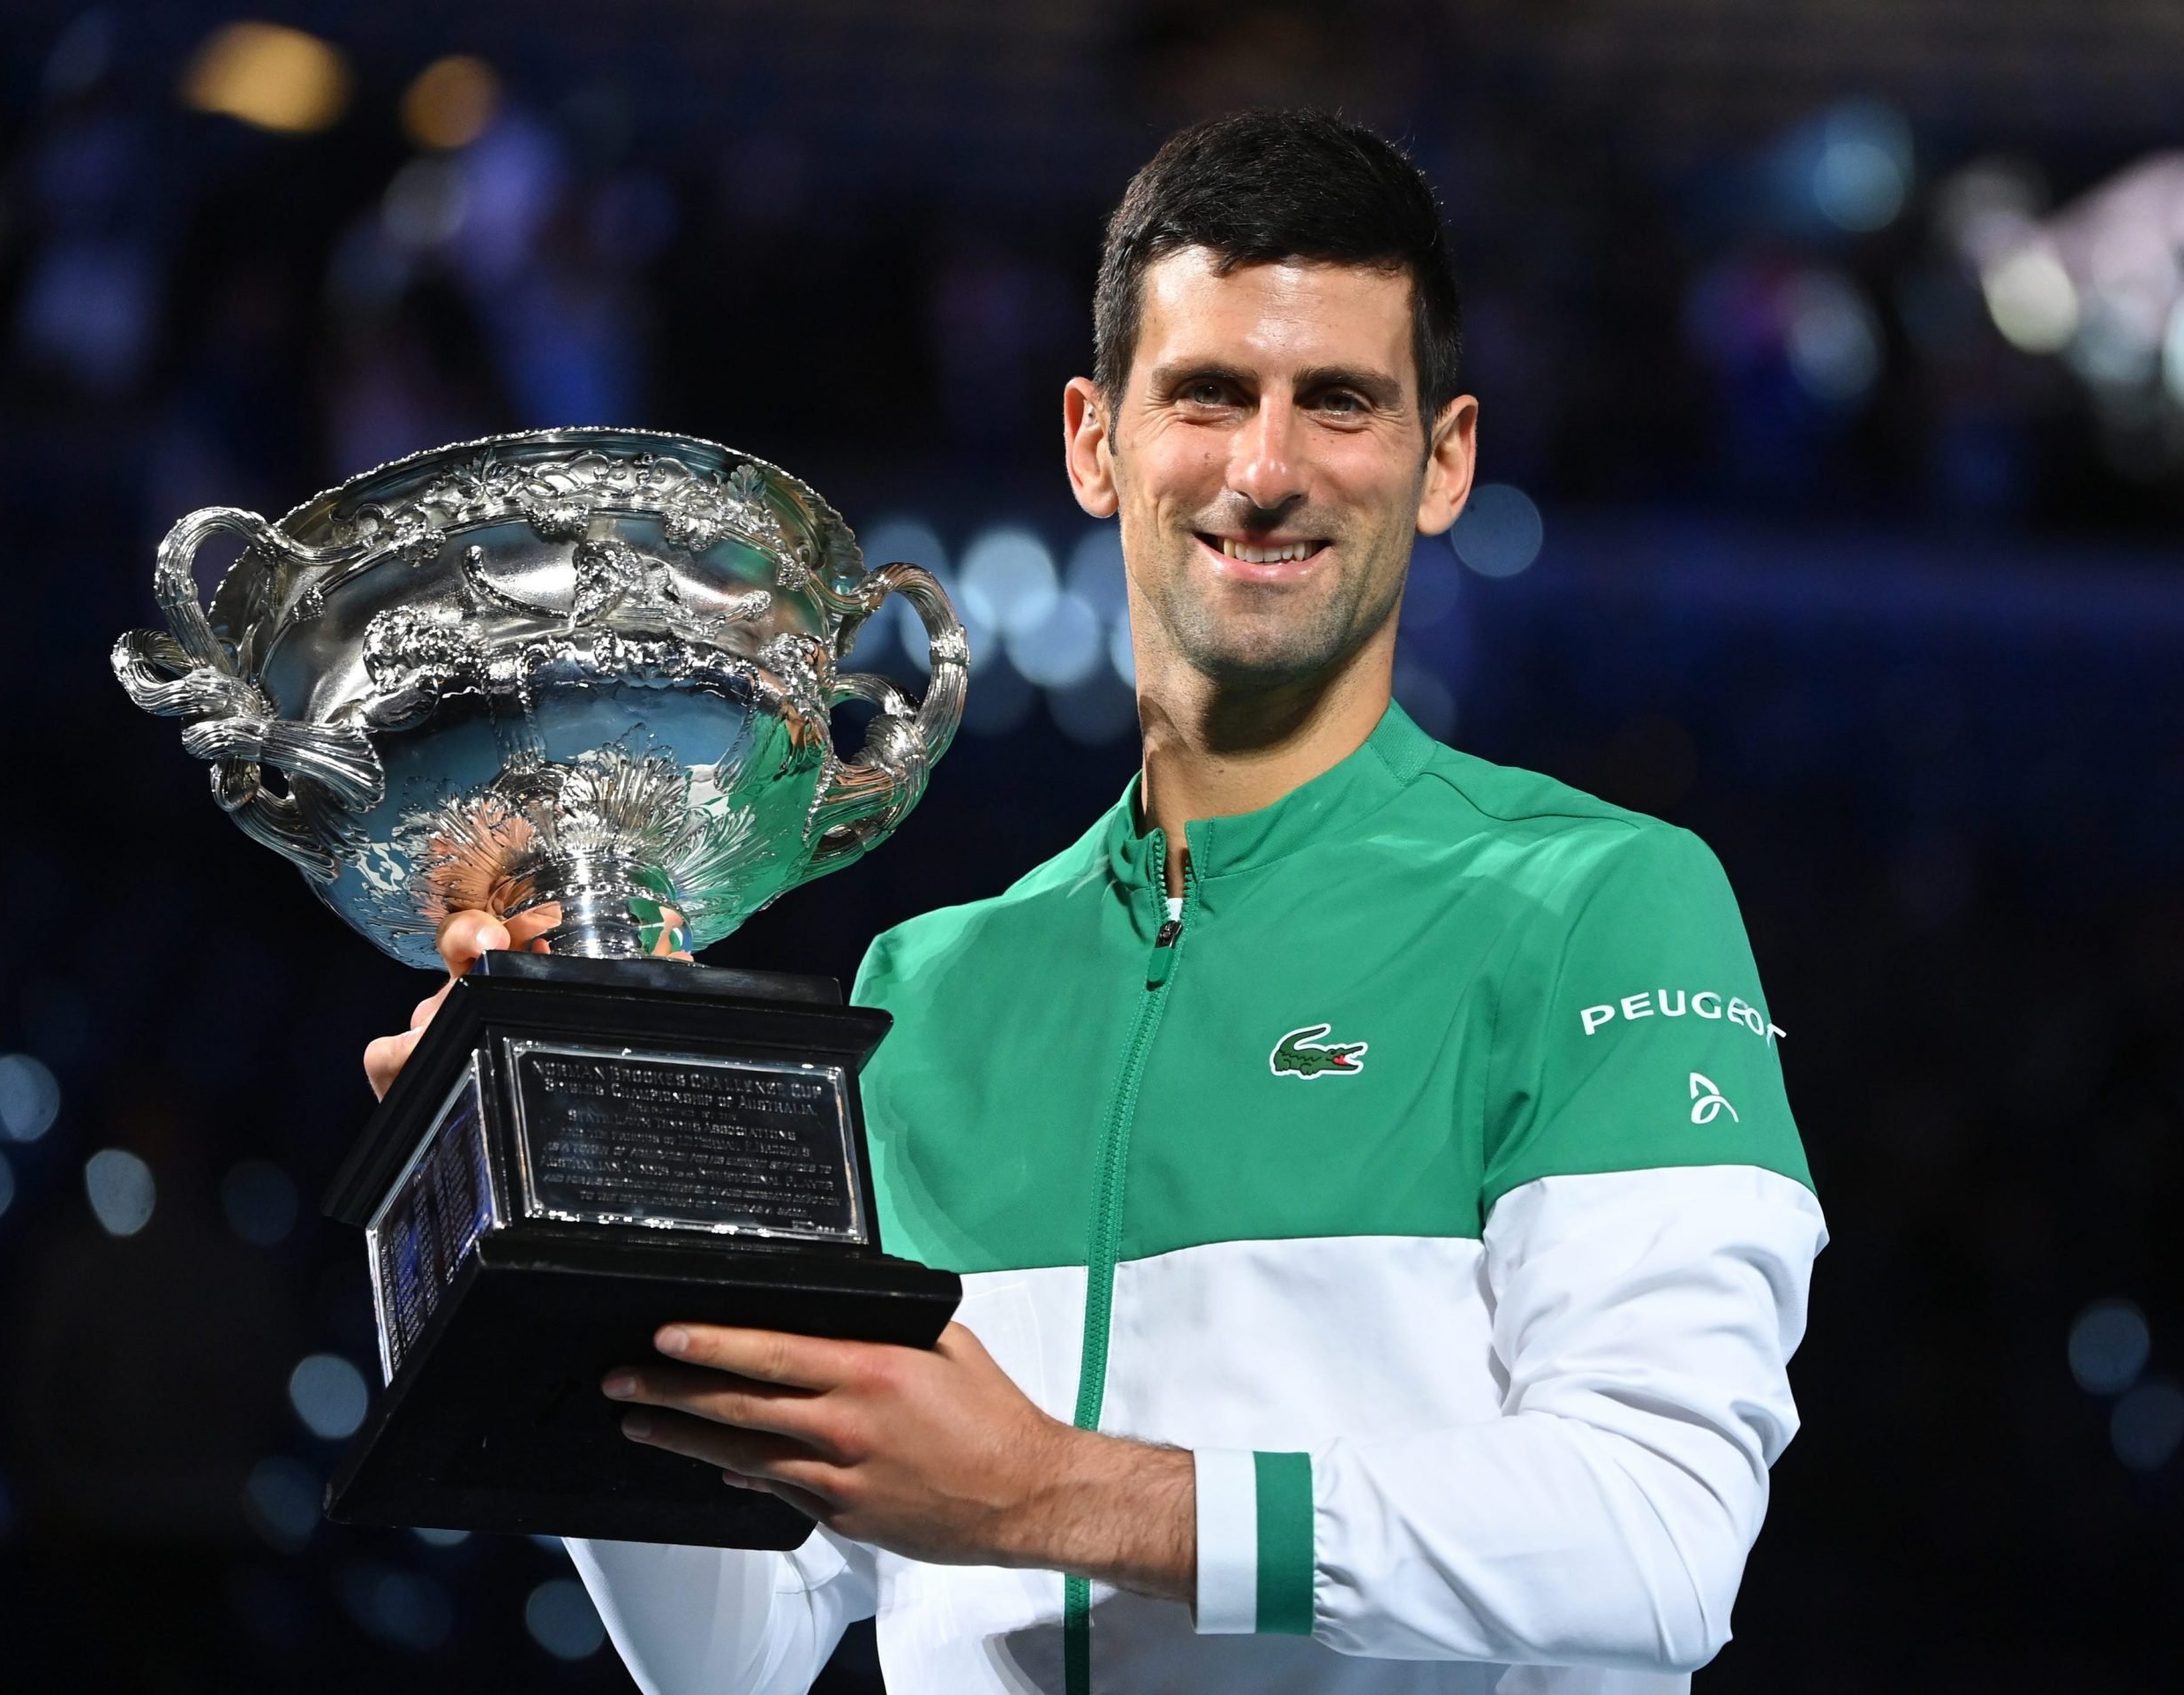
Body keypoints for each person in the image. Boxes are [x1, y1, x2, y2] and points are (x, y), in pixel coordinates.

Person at [366, 109, 1826, 1695]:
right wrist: (568, 1162)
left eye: (1339, 403)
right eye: (1207, 395)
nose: (1266, 472)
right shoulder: (927, 988)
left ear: (1443, 462)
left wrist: (1051, 1490)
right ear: (1094, 439)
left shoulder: (1598, 905)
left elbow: (1661, 1538)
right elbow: (741, 1655)